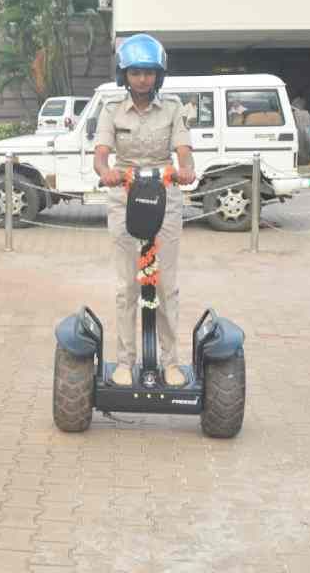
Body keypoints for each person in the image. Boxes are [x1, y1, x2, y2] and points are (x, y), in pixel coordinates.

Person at [93, 33, 195, 387]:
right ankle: (125, 361)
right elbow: (101, 153)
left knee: (166, 284)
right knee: (127, 287)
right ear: (125, 74)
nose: (142, 79)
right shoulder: (111, 111)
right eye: (136, 72)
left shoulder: (173, 108)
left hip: (165, 196)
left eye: (149, 72)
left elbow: (182, 149)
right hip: (124, 196)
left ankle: (171, 362)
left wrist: (186, 168)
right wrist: (106, 172)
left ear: (159, 75)